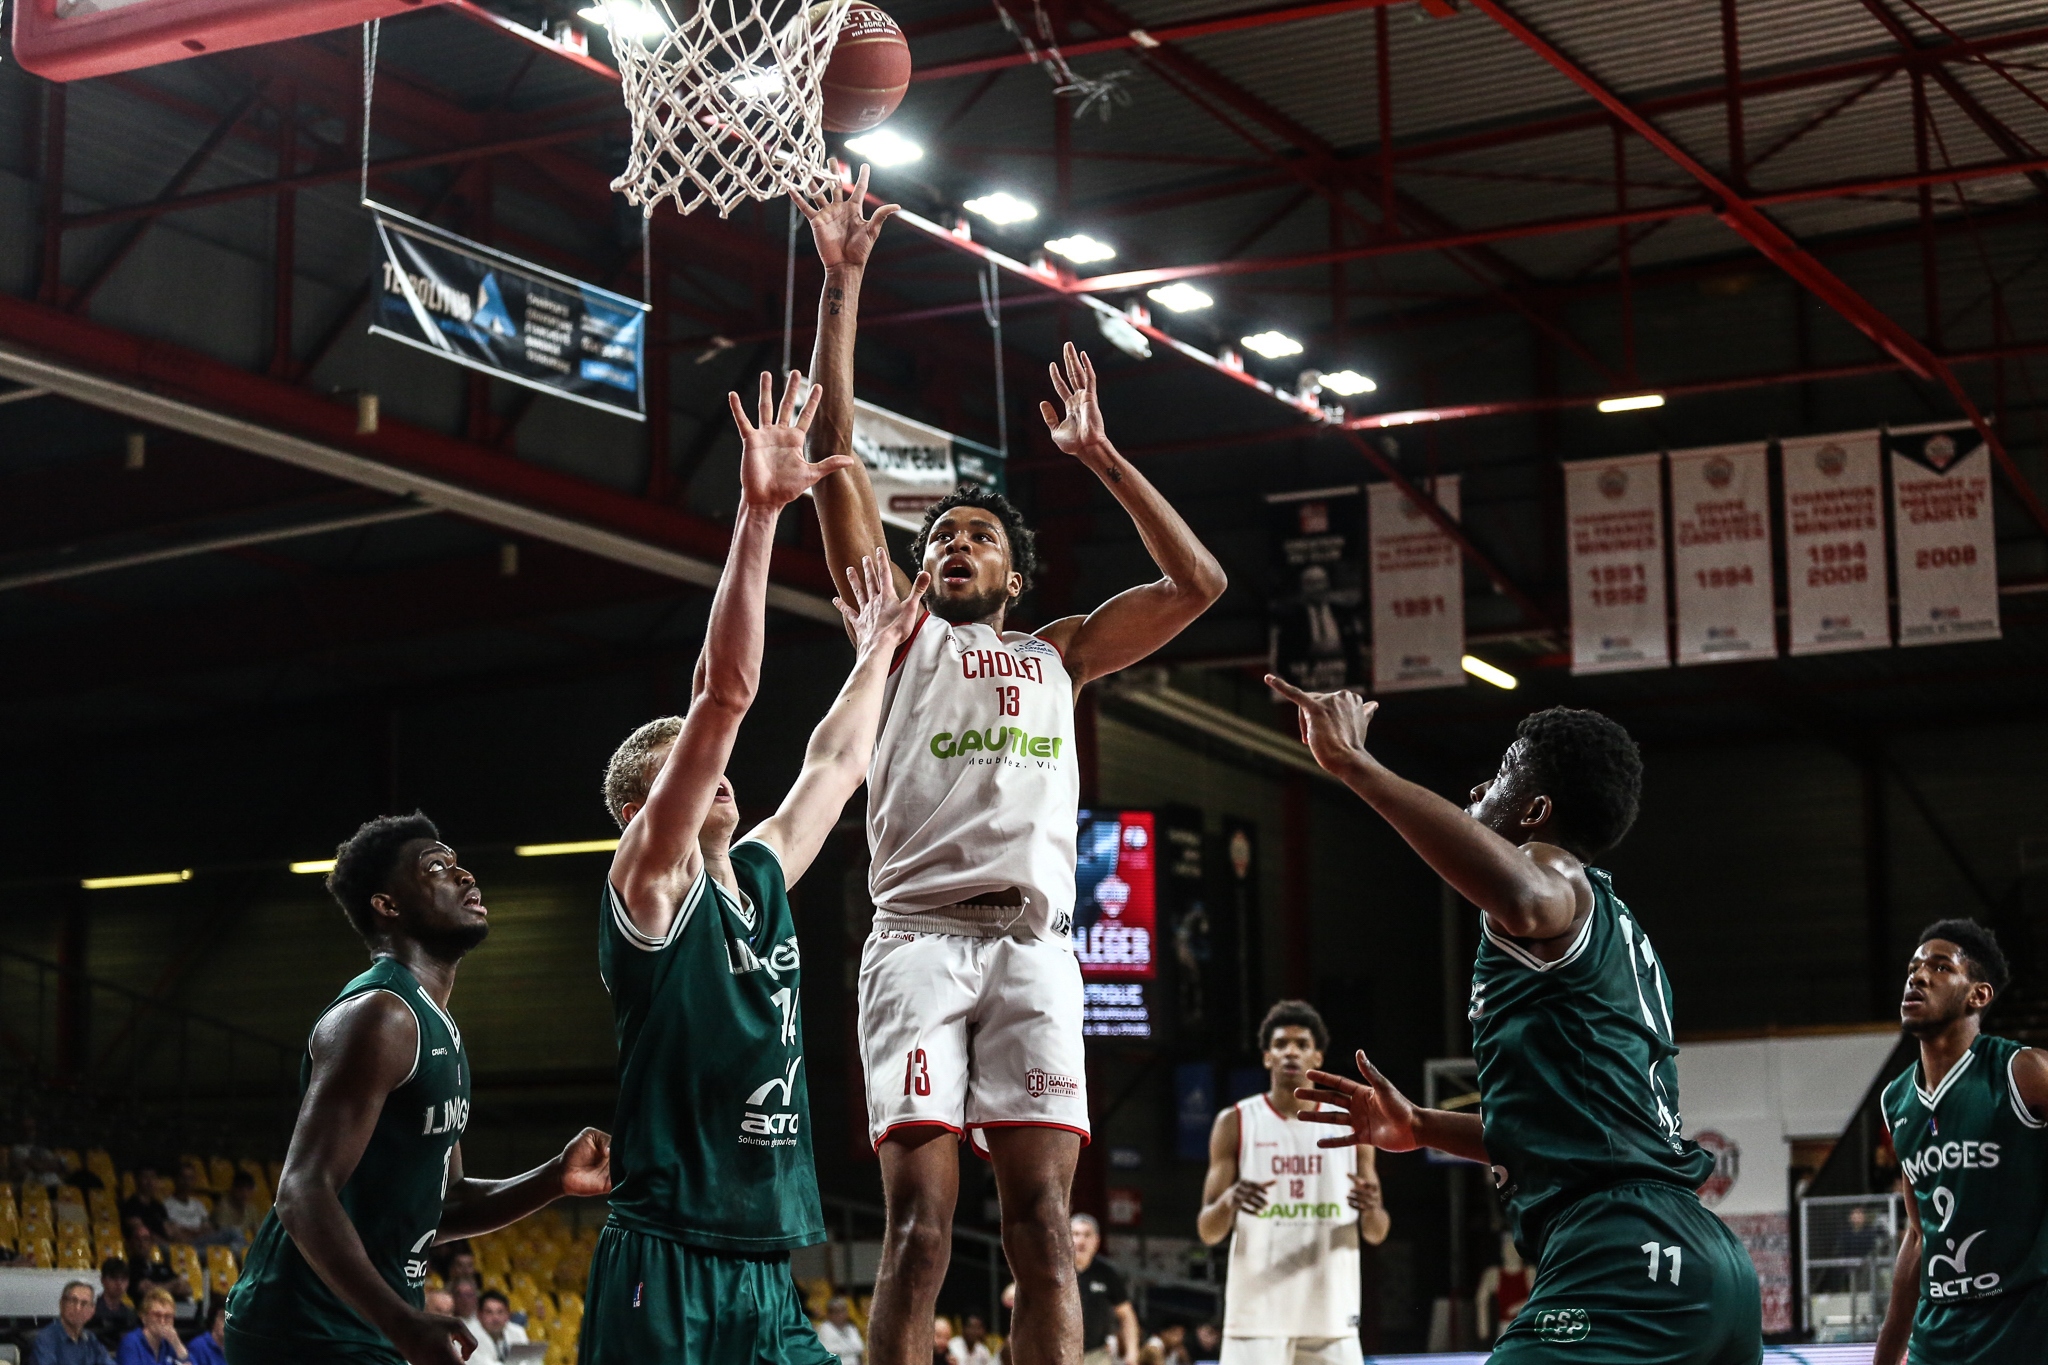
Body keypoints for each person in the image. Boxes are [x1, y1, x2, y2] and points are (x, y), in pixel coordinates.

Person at [797, 170, 1226, 1365]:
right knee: (919, 1236)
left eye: (974, 536)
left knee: (1042, 1227)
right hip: (920, 939)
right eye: (937, 537)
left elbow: (1199, 586)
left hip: (1035, 951)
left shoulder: (1060, 652)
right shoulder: (897, 630)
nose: (950, 546)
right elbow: (837, 455)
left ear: (1013, 573)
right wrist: (842, 282)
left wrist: (1097, 456)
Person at [578, 369, 919, 1365]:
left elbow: (837, 765)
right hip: (665, 1245)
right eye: (691, 768)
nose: (720, 774)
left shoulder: (759, 873)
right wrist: (759, 514)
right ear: (647, 809)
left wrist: (874, 655)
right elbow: (723, 695)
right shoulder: (647, 884)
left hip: (764, 1254)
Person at [1275, 695, 1762, 1365]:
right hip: (1705, 1260)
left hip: (1626, 1253)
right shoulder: (1620, 932)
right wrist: (1420, 1125)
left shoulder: (1557, 878)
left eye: (1503, 771)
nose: (1478, 787)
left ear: (1535, 813)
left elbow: (1527, 897)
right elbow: (1574, 1136)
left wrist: (1355, 765)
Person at [223, 813, 612, 1365]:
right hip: (304, 1329)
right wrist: (405, 1324)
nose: (464, 875)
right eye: (437, 868)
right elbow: (302, 1191)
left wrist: (555, 1178)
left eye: (458, 863)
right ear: (388, 905)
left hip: (364, 1327)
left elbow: (444, 1205)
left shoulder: (437, 1025)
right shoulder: (382, 1015)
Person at [1873, 919, 2048, 1365]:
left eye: (1940, 967)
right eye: (1913, 967)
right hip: (1938, 1336)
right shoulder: (1896, 1100)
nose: (1917, 976)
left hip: (2023, 1326)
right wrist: (1888, 1354)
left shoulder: (2022, 1072)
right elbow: (1917, 1234)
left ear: (1978, 995)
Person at [1197, 1000, 1390, 1365]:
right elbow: (1208, 1231)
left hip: (1331, 1313)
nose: (1291, 1052)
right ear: (1267, 1057)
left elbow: (1377, 1232)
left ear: (1317, 1058)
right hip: (1256, 1316)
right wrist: (1228, 1202)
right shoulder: (1235, 1121)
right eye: (1281, 1044)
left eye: (1302, 1045)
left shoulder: (1351, 1122)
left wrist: (1372, 1209)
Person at [1071, 1216, 1138, 1365]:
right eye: (1075, 1234)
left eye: (1087, 1235)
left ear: (1097, 1241)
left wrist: (1132, 1352)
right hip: (1059, 1353)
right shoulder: (1053, 1271)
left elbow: (1127, 1315)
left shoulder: (1107, 1273)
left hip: (1096, 1355)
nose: (1081, 1241)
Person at [30, 1280, 115, 1365]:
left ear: (92, 1311)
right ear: (62, 1304)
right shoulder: (46, 1340)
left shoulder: (90, 1339)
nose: (77, 1308)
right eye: (73, 1301)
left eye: (84, 1303)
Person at [1474, 1232, 1531, 1344]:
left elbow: (1539, 1297)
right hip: (1505, 1327)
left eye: (1514, 1249)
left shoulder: (1530, 1273)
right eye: (1507, 1248)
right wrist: (1483, 1328)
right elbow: (1481, 1299)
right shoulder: (1493, 1274)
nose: (1511, 1252)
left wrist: (1519, 1306)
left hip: (1526, 1327)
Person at [117, 1289, 188, 1365]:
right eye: (157, 1315)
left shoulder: (170, 1344)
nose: (162, 1321)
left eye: (168, 1316)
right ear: (144, 1317)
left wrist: (178, 1346)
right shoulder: (131, 1343)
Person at [466, 1289, 529, 1364]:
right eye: (489, 1312)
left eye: (500, 1312)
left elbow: (527, 1361)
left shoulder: (518, 1332)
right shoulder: (468, 1336)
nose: (495, 1318)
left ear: (508, 1315)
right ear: (479, 1315)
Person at [162, 1166, 214, 1245]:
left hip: (204, 1242)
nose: (187, 1182)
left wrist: (193, 1232)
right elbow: (175, 1232)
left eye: (190, 1178)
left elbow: (208, 1228)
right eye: (183, 1178)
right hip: (185, 1244)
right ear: (176, 1179)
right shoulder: (167, 1205)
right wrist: (196, 1232)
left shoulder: (198, 1204)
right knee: (232, 1233)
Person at [93, 1259, 136, 1346]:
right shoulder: (91, 1311)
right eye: (113, 1278)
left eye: (123, 1279)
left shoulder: (131, 1315)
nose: (119, 1283)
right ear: (103, 1280)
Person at [211, 1174, 264, 1242]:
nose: (244, 1194)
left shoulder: (251, 1210)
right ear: (233, 1189)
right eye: (241, 1189)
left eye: (248, 1189)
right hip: (218, 1243)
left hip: (237, 1243)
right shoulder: (222, 1207)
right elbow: (223, 1233)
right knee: (234, 1234)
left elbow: (258, 1234)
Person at [121, 1171, 169, 1241]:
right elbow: (141, 1231)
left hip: (165, 1245)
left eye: (152, 1177)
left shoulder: (158, 1206)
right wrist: (167, 1245)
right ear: (137, 1180)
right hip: (144, 1245)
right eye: (145, 1177)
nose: (149, 1182)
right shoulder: (130, 1205)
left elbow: (169, 1228)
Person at [817, 1296, 865, 1365]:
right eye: (836, 1311)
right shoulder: (824, 1329)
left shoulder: (851, 1328)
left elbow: (859, 1350)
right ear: (829, 1314)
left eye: (843, 1311)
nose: (840, 1315)